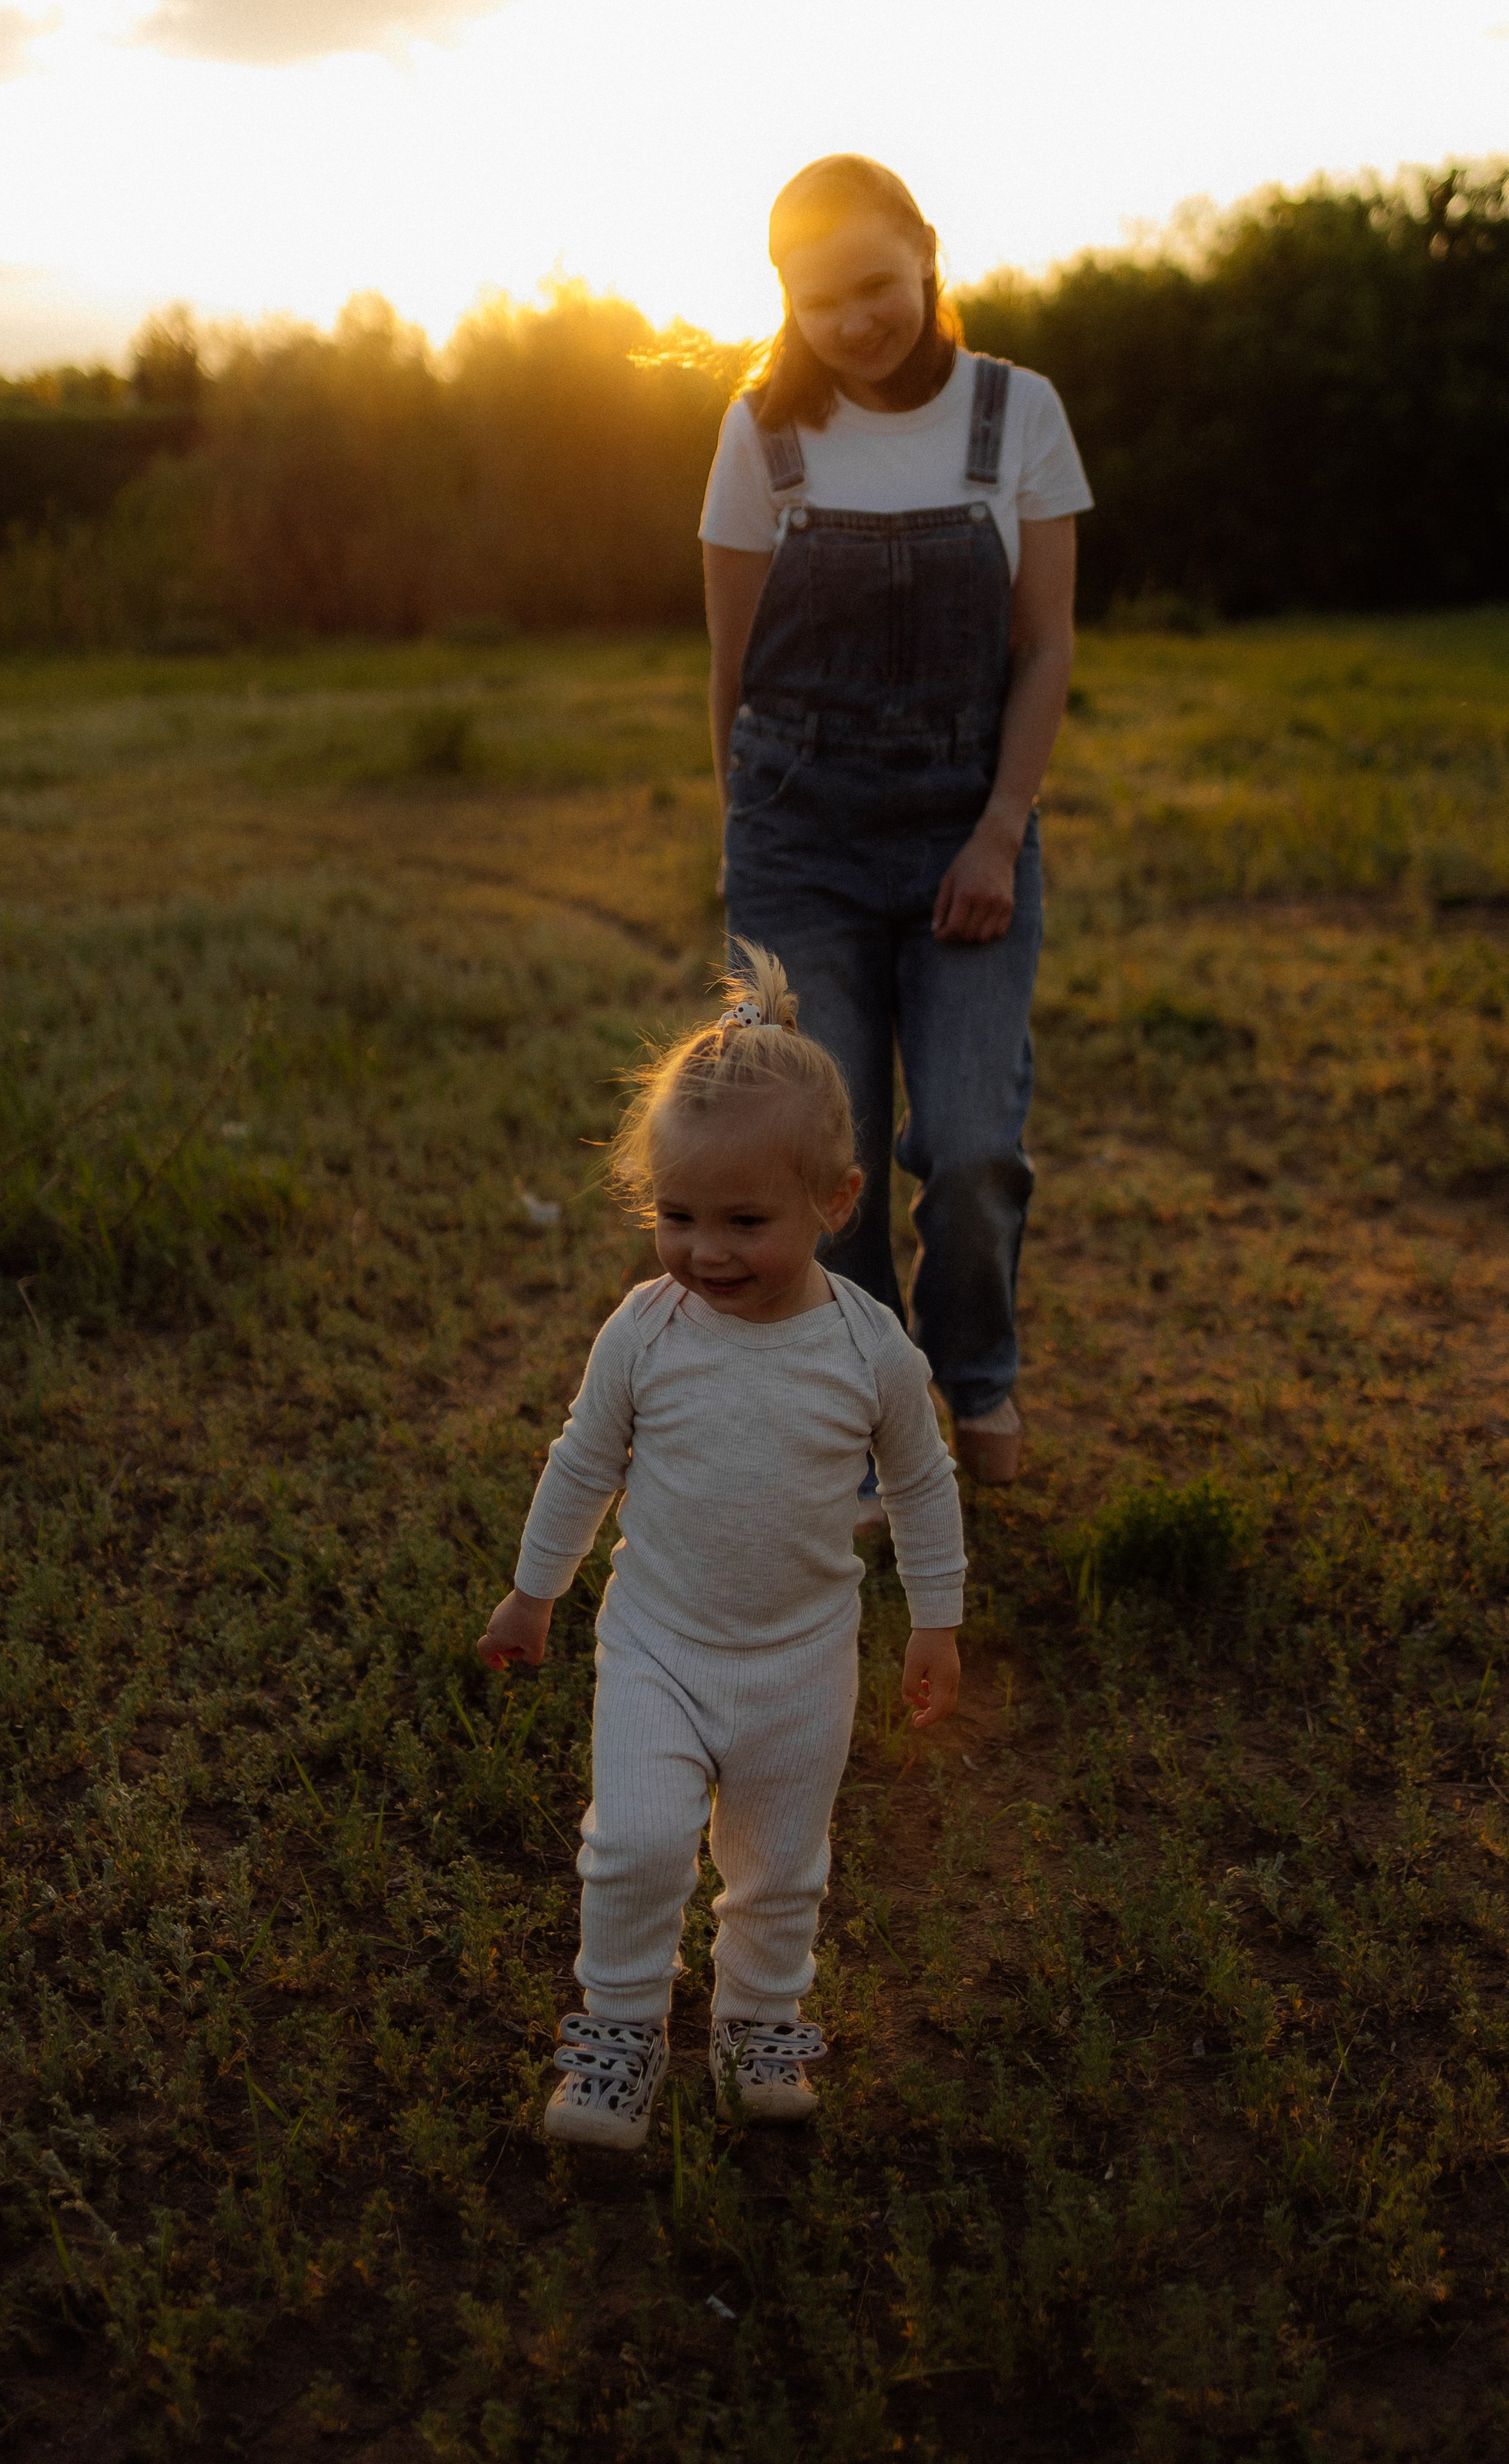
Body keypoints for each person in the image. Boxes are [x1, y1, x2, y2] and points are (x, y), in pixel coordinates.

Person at [476, 944, 965, 2155]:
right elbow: (585, 1462)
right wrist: (536, 1594)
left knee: (779, 1864)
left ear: (836, 1205)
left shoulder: (871, 1355)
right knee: (635, 1840)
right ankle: (620, 2027)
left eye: (746, 1221)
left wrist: (941, 1622)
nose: (705, 1252)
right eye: (677, 1217)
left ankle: (758, 2018)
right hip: (658, 1642)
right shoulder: (645, 1334)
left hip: (804, 1657)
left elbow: (918, 1480)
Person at [701, 153, 1091, 1493]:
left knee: (976, 1144)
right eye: (821, 305)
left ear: (927, 250)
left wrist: (998, 831)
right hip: (801, 839)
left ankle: (975, 1372)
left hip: (963, 833)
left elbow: (1044, 651)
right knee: (829, 1154)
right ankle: (868, 1417)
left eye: (876, 284)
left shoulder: (1016, 413)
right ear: (786, 307)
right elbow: (733, 671)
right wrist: (747, 846)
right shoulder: (763, 435)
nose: (856, 323)